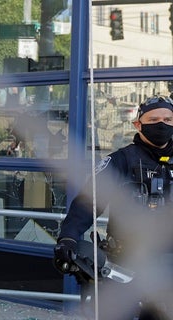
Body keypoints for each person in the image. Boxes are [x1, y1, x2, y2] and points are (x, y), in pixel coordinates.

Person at [54, 95, 173, 319]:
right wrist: (68, 237)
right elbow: (88, 203)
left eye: (168, 119)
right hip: (125, 265)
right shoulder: (120, 161)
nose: (161, 124)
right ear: (138, 124)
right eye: (154, 119)